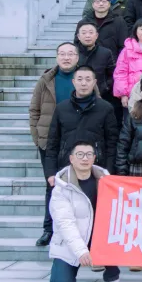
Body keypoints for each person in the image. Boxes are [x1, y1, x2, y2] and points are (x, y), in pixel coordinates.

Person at [48, 141, 123, 282]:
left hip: (100, 238)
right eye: (80, 154)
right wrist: (81, 251)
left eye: (89, 154)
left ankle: (112, 276)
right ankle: (72, 267)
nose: (84, 158)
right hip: (73, 241)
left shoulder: (106, 182)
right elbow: (65, 224)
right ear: (71, 159)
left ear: (94, 158)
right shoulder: (61, 188)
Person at [30, 42, 79, 247]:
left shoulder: (84, 78)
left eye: (70, 54)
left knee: (76, 186)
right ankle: (48, 229)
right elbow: (34, 110)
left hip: (76, 143)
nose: (66, 57)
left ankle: (74, 230)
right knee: (52, 185)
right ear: (57, 57)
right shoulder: (46, 80)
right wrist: (38, 137)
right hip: (49, 142)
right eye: (62, 54)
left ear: (77, 57)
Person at [43, 67, 119, 196]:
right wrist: (50, 172)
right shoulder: (61, 108)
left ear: (94, 82)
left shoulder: (106, 108)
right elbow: (52, 142)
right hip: (66, 167)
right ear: (73, 82)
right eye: (80, 79)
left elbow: (112, 143)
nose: (84, 83)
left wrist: (108, 171)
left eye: (88, 79)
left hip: (96, 168)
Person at [74, 22, 117, 118]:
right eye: (84, 33)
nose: (87, 36)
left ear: (96, 35)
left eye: (91, 32)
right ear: (78, 36)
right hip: (76, 97)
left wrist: (105, 87)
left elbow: (113, 74)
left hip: (101, 97)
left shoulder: (105, 53)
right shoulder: (73, 53)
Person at [114, 20, 142, 109]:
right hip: (133, 94)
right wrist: (123, 94)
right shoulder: (127, 50)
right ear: (136, 31)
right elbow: (120, 73)